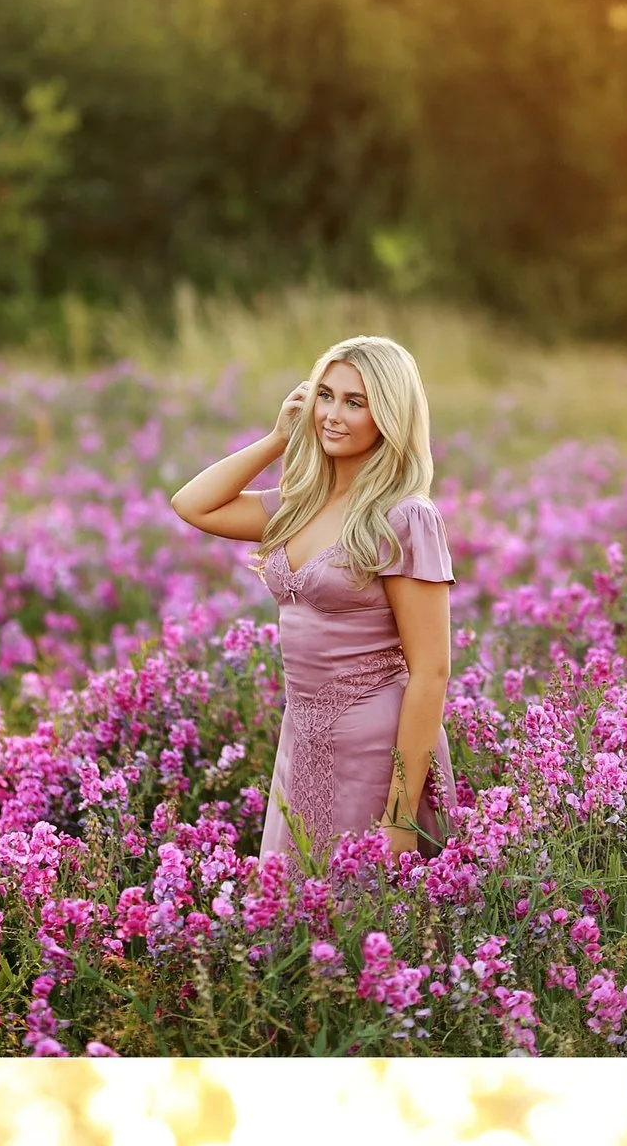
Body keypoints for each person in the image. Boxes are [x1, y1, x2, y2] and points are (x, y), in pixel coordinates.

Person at [166, 337, 455, 873]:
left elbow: (432, 672)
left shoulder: (405, 517)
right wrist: (278, 438)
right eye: (326, 395)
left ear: (389, 416)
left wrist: (399, 816)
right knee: (297, 921)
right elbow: (192, 504)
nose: (333, 415)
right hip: (301, 740)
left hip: (375, 747)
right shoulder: (298, 506)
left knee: (366, 927)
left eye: (356, 402)